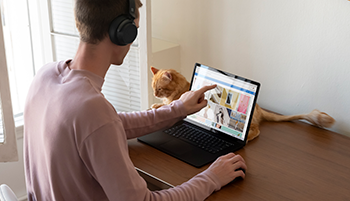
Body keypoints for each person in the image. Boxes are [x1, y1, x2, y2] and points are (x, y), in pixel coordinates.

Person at [23, 0, 247, 200]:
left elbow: (107, 125)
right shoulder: (92, 109)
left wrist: (177, 109)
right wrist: (212, 178)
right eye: (135, 30)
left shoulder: (45, 76)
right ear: (123, 32)